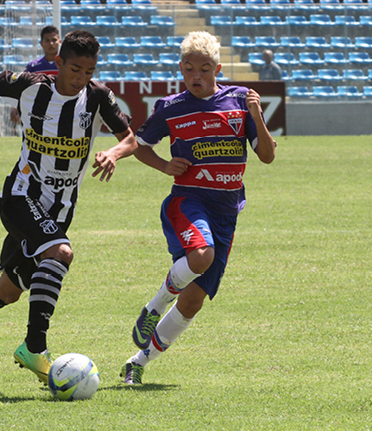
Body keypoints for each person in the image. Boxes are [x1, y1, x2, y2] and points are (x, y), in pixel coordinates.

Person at [0, 30, 138, 384]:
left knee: (9, 290)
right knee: (60, 253)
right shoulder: (32, 85)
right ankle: (34, 346)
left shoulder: (98, 96)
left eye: (88, 72)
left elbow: (130, 138)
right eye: (74, 69)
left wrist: (113, 153)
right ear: (58, 62)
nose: (80, 79)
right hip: (21, 195)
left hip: (59, 209)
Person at [121, 31, 277, 385]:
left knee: (192, 303)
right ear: (181, 69)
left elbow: (266, 156)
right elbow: (138, 144)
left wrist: (257, 115)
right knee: (201, 255)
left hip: (226, 212)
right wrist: (163, 165)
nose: (196, 76)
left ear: (217, 68)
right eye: (189, 69)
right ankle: (154, 307)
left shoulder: (240, 101)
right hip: (187, 200)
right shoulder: (172, 107)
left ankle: (138, 363)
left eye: (204, 69)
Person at [10, 26, 61, 124]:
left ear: (60, 41)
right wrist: (15, 106)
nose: (51, 43)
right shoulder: (33, 67)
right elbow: (21, 87)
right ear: (41, 43)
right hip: (39, 111)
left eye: (54, 40)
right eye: (47, 40)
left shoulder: (66, 65)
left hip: (61, 108)